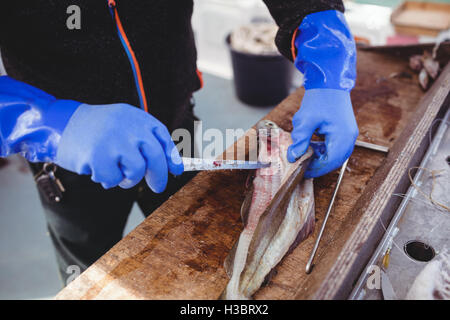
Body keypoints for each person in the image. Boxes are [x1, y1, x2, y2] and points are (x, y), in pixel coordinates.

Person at [0, 0, 357, 284]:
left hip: (176, 130)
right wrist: (51, 123)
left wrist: (327, 57)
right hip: (70, 162)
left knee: (196, 243)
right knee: (87, 269)